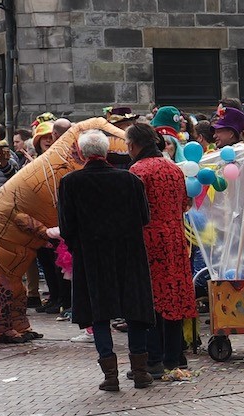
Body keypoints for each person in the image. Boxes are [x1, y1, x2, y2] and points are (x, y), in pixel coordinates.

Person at [56, 130, 157, 393]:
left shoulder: (70, 182)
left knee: (98, 312)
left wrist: (79, 246)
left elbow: (66, 226)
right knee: (134, 309)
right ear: (106, 151)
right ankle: (140, 370)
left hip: (91, 255)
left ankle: (110, 374)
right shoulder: (130, 180)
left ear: (81, 153)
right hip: (129, 253)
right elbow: (144, 217)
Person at [127, 123, 195, 383]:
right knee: (174, 294)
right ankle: (174, 356)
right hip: (175, 239)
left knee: (151, 299)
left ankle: (153, 359)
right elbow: (184, 204)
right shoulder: (174, 168)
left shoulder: (138, 170)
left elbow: (135, 211)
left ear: (134, 145)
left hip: (149, 240)